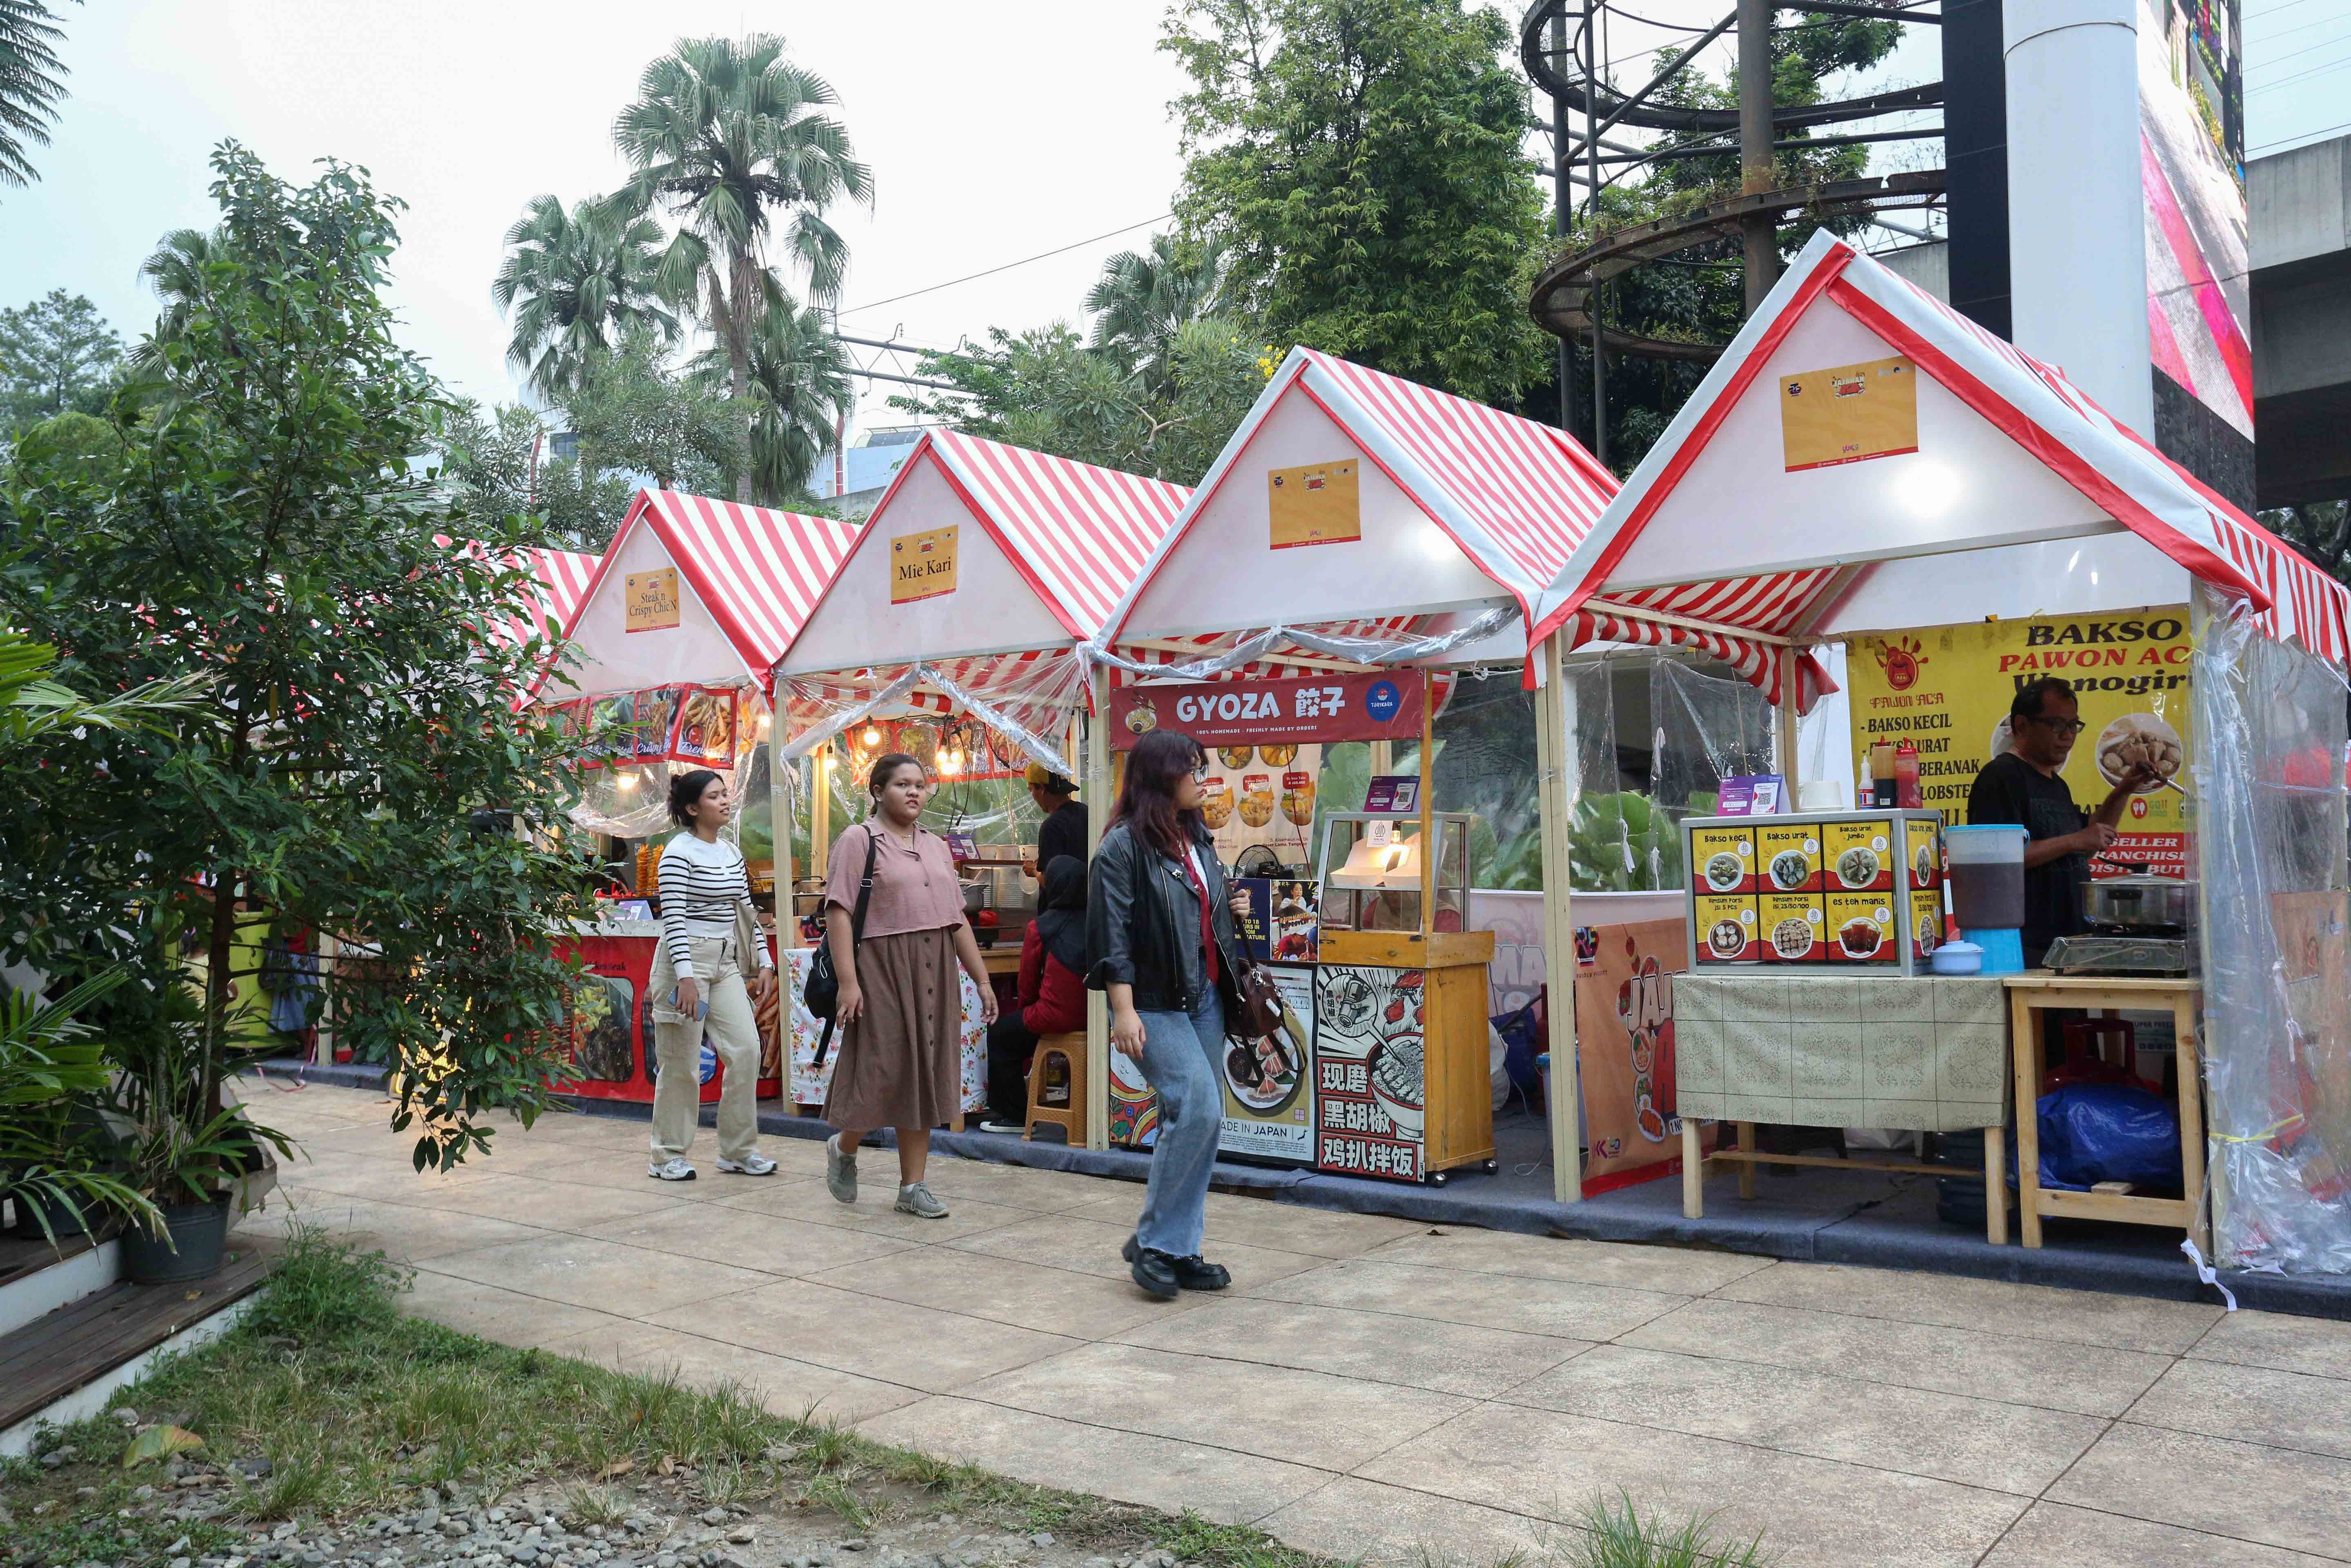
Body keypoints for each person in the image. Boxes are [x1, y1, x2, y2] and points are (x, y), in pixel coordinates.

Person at [1087, 728, 1252, 1301]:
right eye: (1194, 769)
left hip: (1204, 998)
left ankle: (1179, 1247)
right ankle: (1155, 1245)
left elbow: (1197, 916)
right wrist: (1123, 1011)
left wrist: (1226, 904)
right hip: (1153, 1003)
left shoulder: (1197, 838)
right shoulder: (1122, 848)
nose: (1204, 779)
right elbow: (1111, 936)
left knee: (1202, 1121)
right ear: (1162, 777)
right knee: (1197, 1104)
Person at [823, 753, 998, 1218]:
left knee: (925, 1069)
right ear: (878, 791)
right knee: (880, 1069)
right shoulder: (858, 840)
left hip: (936, 965)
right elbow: (838, 911)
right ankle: (844, 1147)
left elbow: (956, 919)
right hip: (880, 966)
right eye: (903, 784)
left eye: (921, 784)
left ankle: (913, 1187)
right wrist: (848, 981)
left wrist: (981, 980)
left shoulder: (938, 846)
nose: (915, 792)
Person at [1968, 676, 2157, 965]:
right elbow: (1997, 860)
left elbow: (2089, 844)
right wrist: (2074, 841)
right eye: (2056, 725)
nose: (2067, 735)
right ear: (2021, 725)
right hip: (2026, 947)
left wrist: (2124, 788)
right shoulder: (2000, 777)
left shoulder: (2057, 785)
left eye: (2073, 726)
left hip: (2069, 942)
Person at [646, 770, 778, 1181]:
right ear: (692, 808)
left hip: (724, 966)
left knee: (746, 1050)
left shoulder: (731, 853)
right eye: (715, 796)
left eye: (726, 795)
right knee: (682, 1061)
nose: (725, 801)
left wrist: (765, 961)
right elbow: (674, 920)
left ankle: (738, 1151)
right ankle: (667, 1155)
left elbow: (744, 912)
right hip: (684, 969)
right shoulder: (677, 853)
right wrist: (686, 978)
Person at [979, 855, 1089, 1133]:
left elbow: (1026, 984)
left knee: (1002, 1034)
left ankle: (1014, 1116)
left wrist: (1025, 1011)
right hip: (1096, 1019)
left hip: (1054, 1016)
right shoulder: (1099, 922)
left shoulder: (1039, 926)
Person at [1028, 763, 1088, 871]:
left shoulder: (1051, 827)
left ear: (1042, 789)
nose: (1033, 797)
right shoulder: (1086, 811)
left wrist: (1033, 870)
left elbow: (1049, 880)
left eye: (1031, 790)